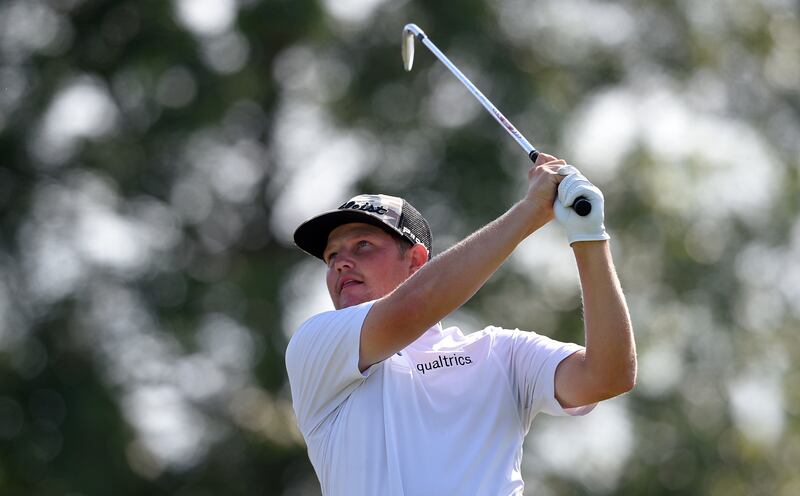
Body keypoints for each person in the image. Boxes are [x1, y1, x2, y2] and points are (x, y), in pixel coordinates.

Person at [285, 153, 636, 495]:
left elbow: (609, 375)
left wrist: (588, 236)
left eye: (362, 245)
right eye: (332, 256)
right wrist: (530, 210)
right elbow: (413, 307)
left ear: (416, 260)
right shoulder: (317, 345)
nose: (341, 264)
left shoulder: (501, 353)